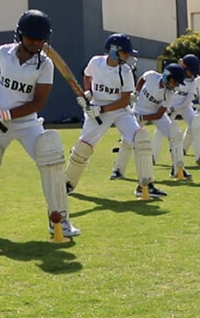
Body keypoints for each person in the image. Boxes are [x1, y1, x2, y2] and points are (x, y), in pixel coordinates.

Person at [0, 9, 80, 239]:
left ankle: (61, 222)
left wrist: (7, 115)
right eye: (32, 38)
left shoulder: (45, 65)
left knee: (50, 155)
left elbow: (38, 102)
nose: (36, 43)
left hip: (26, 123)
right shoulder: (4, 52)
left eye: (41, 39)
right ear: (20, 35)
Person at [65, 33, 166, 199]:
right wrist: (88, 92)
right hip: (96, 108)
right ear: (113, 51)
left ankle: (145, 185)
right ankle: (67, 183)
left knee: (140, 137)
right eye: (125, 52)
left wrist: (102, 109)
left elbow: (124, 101)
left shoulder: (125, 72)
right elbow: (87, 75)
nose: (127, 56)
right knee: (84, 146)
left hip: (119, 110)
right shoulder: (95, 62)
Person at [111, 63, 188, 180]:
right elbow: (142, 79)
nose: (176, 85)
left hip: (155, 113)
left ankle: (178, 169)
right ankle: (118, 170)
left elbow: (159, 114)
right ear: (167, 77)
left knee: (174, 135)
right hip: (138, 109)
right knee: (128, 140)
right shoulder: (152, 75)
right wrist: (136, 92)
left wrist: (141, 118)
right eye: (175, 81)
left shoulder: (169, 93)